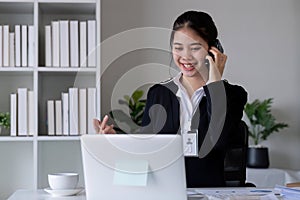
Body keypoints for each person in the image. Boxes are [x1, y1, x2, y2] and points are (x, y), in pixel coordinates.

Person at [93, 10, 247, 187]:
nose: (185, 57)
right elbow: (147, 151)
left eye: (195, 48)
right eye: (178, 48)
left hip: (210, 191)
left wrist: (215, 85)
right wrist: (118, 141)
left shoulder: (233, 95)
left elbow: (218, 141)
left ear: (213, 50)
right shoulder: (159, 94)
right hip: (164, 190)